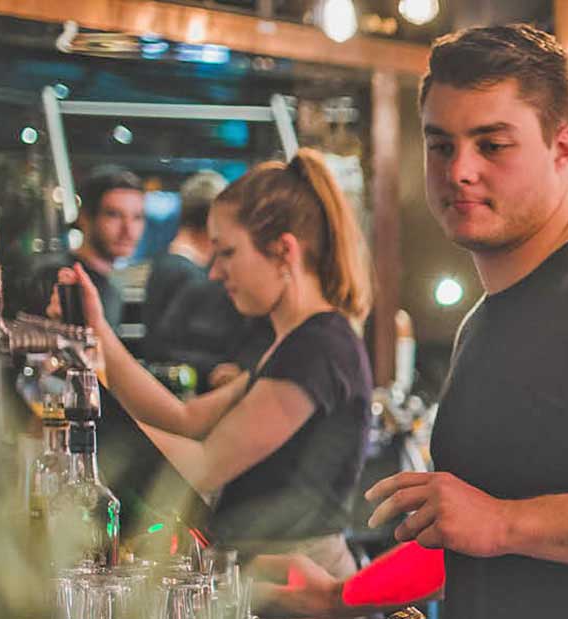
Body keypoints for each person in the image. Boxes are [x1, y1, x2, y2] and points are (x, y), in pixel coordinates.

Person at [253, 24, 568, 619]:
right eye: (440, 144)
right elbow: (470, 536)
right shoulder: (484, 321)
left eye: (491, 144)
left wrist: (504, 522)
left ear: (563, 148)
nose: (459, 170)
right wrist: (342, 596)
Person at [58, 149, 374, 577]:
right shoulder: (296, 341)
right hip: (273, 570)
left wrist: (87, 422)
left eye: (227, 253)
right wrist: (98, 333)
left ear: (283, 253)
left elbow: (204, 465)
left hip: (302, 580)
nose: (214, 272)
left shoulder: (319, 348)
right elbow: (184, 418)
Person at [141, 170, 271, 389]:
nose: (217, 271)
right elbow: (163, 349)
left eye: (229, 252)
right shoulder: (195, 278)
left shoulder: (167, 265)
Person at [71, 166, 146, 328]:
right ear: (84, 218)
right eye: (114, 215)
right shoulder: (65, 279)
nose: (128, 230)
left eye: (137, 217)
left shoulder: (106, 285)